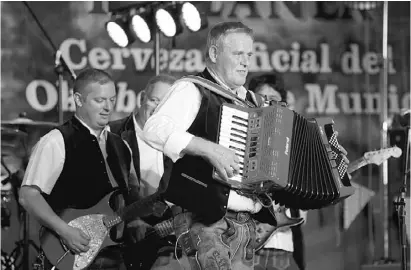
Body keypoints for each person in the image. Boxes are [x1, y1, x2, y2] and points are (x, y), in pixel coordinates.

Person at [142, 22, 349, 270]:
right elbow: (153, 129)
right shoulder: (192, 89)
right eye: (237, 54)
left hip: (246, 228)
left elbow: (287, 167)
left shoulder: (254, 103)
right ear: (214, 54)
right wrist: (208, 148)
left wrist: (329, 164)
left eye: (249, 55)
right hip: (206, 223)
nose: (245, 62)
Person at [19, 68, 141, 270]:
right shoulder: (56, 141)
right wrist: (64, 231)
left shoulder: (121, 146)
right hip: (72, 251)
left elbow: (126, 200)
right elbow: (28, 195)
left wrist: (137, 220)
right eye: (99, 100)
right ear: (78, 99)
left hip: (114, 253)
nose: (107, 107)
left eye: (112, 99)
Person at [109, 74, 181, 270]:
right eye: (154, 100)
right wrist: (131, 219)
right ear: (142, 98)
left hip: (164, 238)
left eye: (165, 105)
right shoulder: (112, 134)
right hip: (121, 236)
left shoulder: (179, 141)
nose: (158, 110)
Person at [248, 72, 307, 270]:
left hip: (282, 246)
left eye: (273, 100)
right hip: (243, 245)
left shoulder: (295, 144)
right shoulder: (237, 133)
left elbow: (310, 194)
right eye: (261, 99)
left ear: (282, 104)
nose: (267, 104)